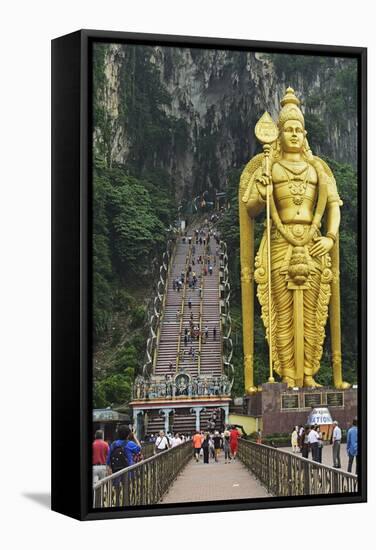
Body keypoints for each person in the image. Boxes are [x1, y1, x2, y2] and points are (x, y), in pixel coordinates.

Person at [240, 87, 350, 392]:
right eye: (287, 129)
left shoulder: (318, 169)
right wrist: (262, 192)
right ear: (278, 133)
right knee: (283, 311)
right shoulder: (269, 167)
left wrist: (329, 237)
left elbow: (333, 206)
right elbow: (249, 207)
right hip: (280, 242)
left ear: (305, 133)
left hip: (313, 241)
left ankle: (310, 372)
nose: (293, 134)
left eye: (298, 130)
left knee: (314, 311)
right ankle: (288, 373)